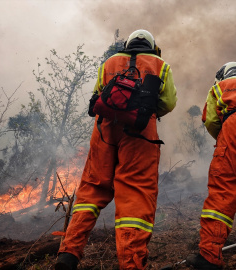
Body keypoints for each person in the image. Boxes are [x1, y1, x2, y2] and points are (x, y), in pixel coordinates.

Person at [55, 29, 177, 270]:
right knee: (135, 193)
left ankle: (68, 253)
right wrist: (145, 114)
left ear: (127, 44)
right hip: (140, 134)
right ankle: (131, 263)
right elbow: (168, 102)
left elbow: (96, 96)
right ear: (153, 46)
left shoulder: (109, 62)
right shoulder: (160, 65)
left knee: (91, 190)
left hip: (104, 131)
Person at [186, 62, 236, 269]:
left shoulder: (219, 87)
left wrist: (224, 140)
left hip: (233, 129)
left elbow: (210, 120)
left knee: (222, 193)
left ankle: (210, 256)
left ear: (222, 75)